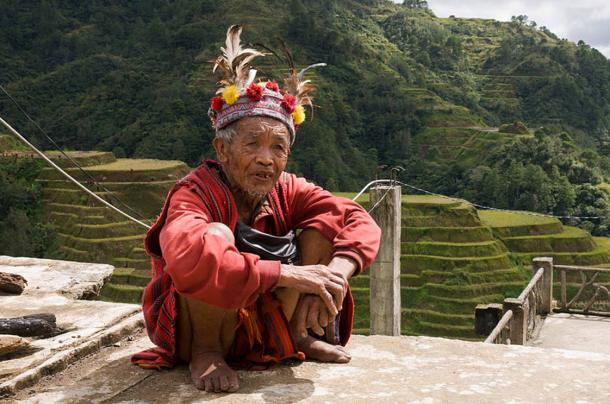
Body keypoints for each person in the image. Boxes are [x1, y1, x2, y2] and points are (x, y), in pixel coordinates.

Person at [131, 25, 381, 393]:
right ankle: (207, 350)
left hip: (263, 323)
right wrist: (292, 275)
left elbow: (355, 220)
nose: (266, 160)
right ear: (222, 150)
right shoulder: (194, 194)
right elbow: (189, 262)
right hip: (198, 328)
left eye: (277, 148)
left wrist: (335, 274)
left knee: (324, 223)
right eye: (252, 144)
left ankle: (299, 335)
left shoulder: (288, 189)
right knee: (213, 237)